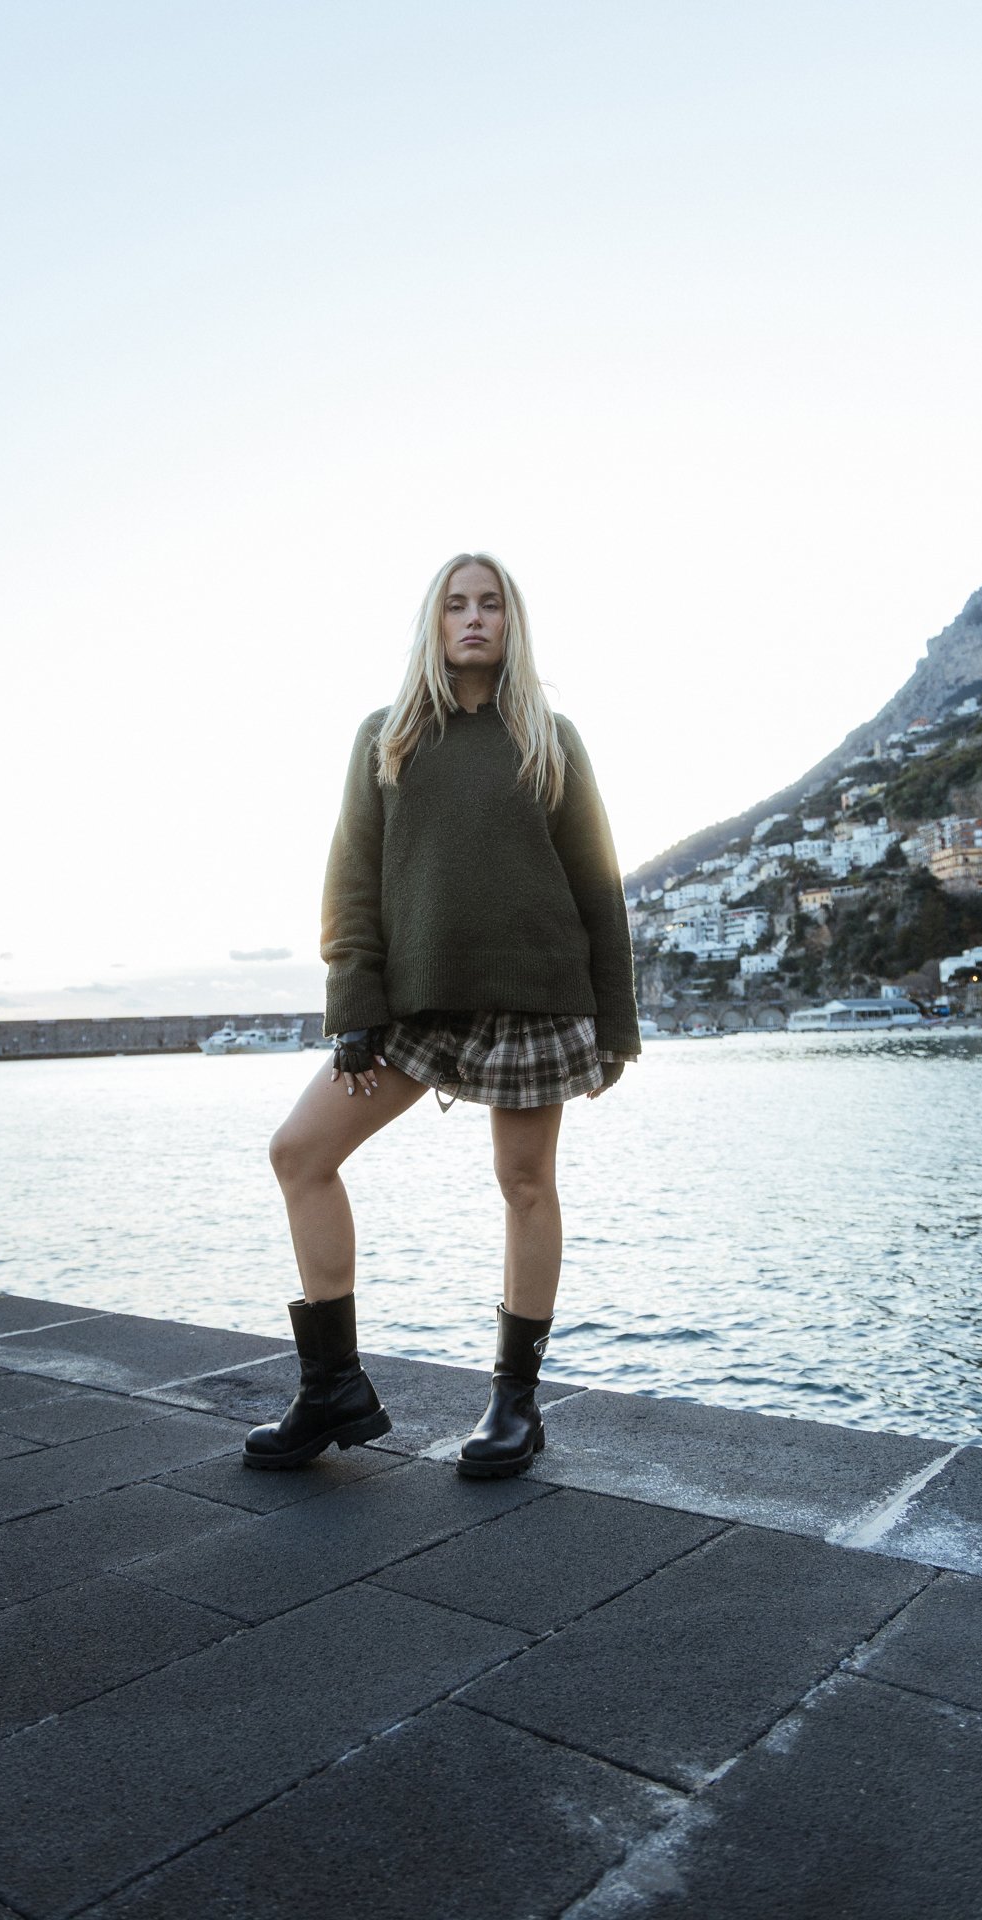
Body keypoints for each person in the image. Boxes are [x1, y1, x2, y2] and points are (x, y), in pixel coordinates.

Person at [244, 552, 640, 1479]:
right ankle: (331, 1385)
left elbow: (598, 886)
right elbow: (351, 881)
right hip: (417, 1004)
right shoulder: (386, 736)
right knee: (300, 1152)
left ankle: (514, 1404)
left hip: (536, 996)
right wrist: (353, 1004)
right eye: (456, 605)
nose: (473, 619)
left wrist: (616, 1022)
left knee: (526, 1184)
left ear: (513, 622)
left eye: (490, 604)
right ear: (433, 622)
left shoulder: (551, 736)